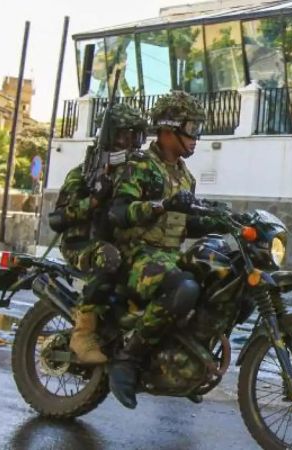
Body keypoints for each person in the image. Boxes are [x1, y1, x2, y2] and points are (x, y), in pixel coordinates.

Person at [107, 91, 228, 409]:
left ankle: (182, 366)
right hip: (137, 255)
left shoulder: (184, 176)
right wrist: (162, 205)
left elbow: (187, 224)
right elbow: (118, 213)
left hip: (169, 255)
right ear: (168, 129)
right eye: (191, 128)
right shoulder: (140, 166)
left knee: (215, 283)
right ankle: (127, 357)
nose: (196, 137)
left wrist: (227, 221)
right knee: (184, 288)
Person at [51, 103, 148, 364]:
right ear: (111, 136)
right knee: (109, 258)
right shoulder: (83, 174)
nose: (131, 143)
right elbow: (57, 219)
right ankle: (83, 334)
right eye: (125, 136)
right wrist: (93, 200)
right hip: (81, 243)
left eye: (136, 137)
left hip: (115, 241)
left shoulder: (133, 174)